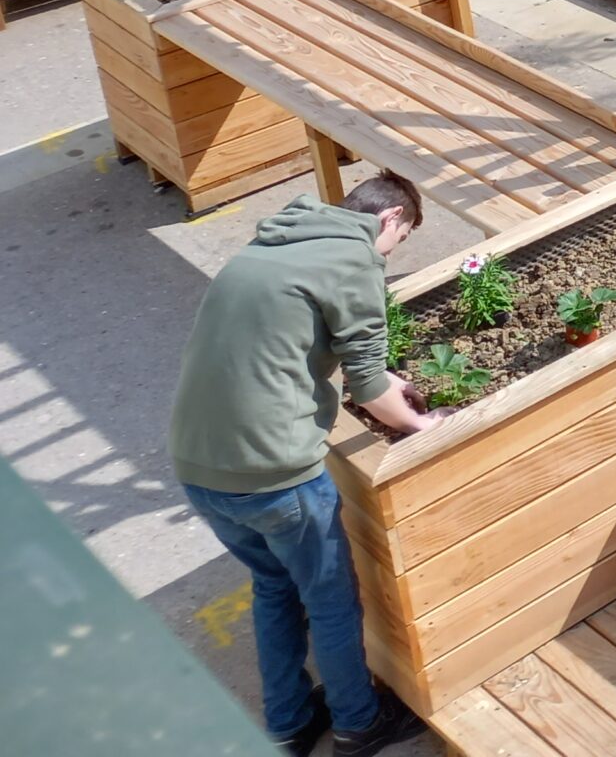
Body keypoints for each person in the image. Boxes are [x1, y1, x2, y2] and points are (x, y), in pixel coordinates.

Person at [171, 174, 441, 756]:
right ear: (392, 217)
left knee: (274, 585)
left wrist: (382, 379)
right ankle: (358, 723)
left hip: (198, 467)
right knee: (331, 599)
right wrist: (424, 425)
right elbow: (369, 388)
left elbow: (287, 344)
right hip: (274, 473)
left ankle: (289, 725)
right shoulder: (355, 257)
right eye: (404, 238)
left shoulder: (275, 245)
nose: (393, 255)